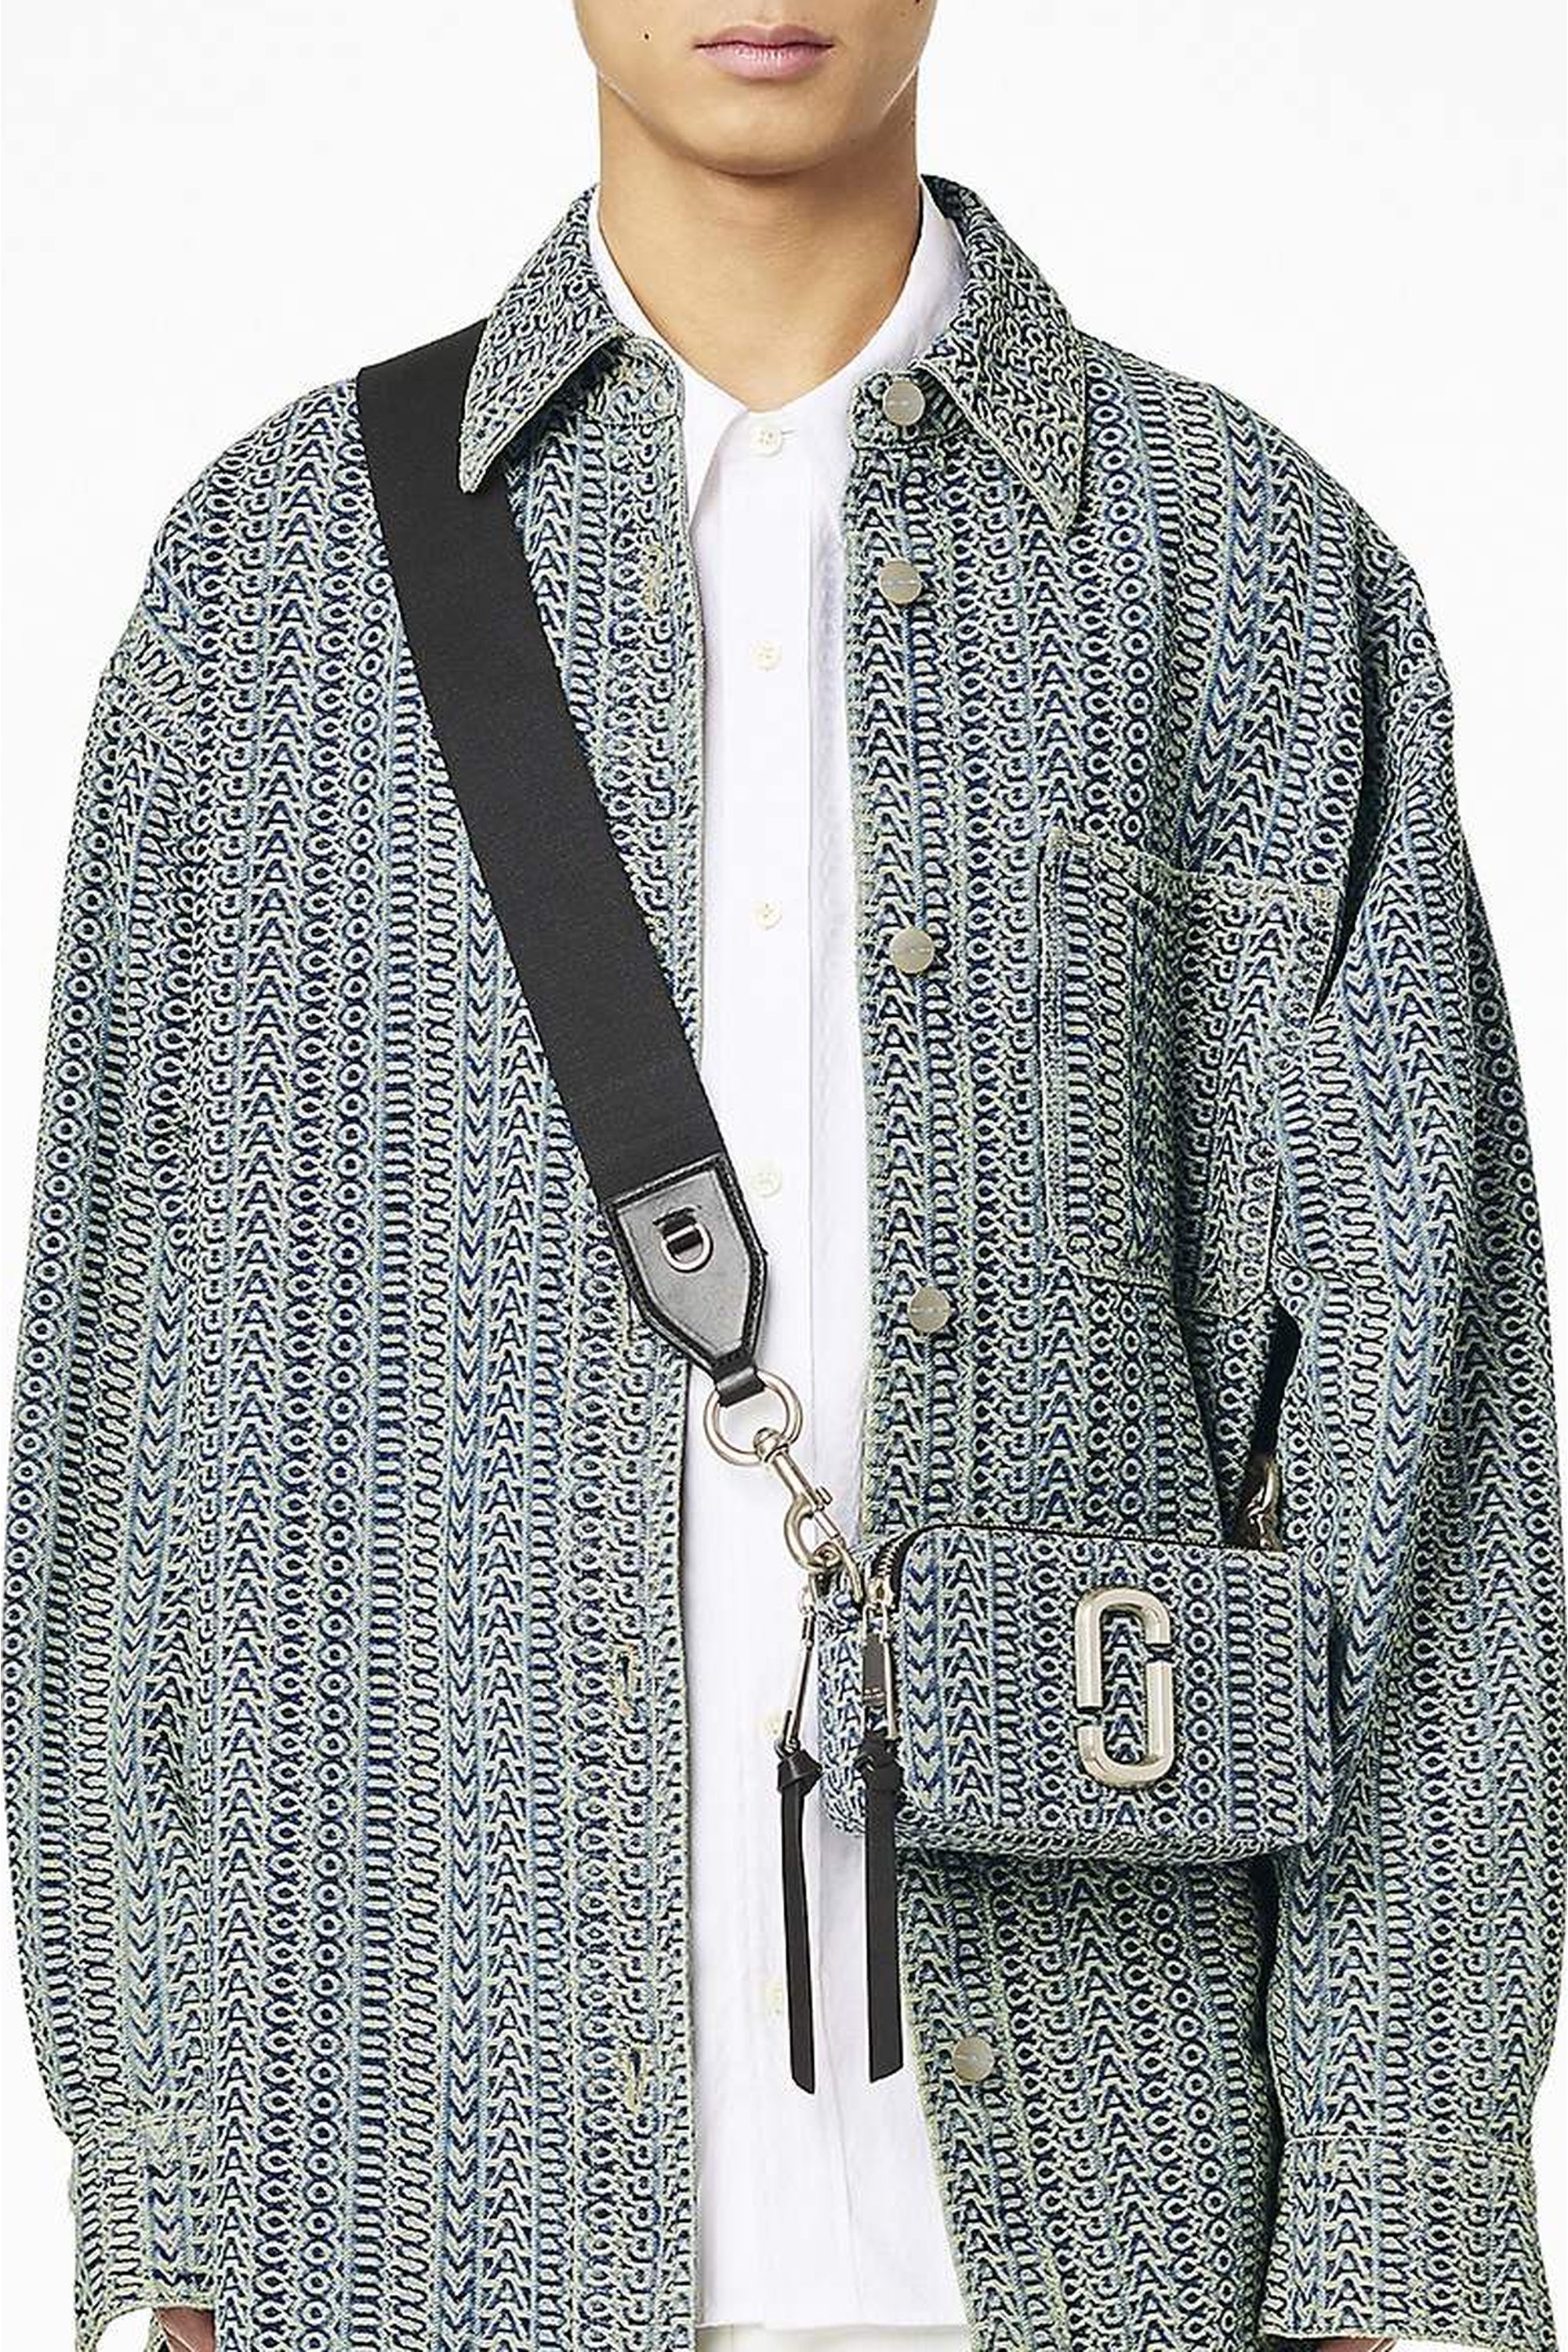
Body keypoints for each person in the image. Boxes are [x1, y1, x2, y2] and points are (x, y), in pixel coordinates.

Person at [5, 4, 1563, 2350]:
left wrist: (1393, 2234)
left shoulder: (1246, 569)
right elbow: (125, 1466)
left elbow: (1422, 1465)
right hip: (410, 2215)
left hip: (1101, 2228)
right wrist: (168, 2211)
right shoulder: (271, 592)